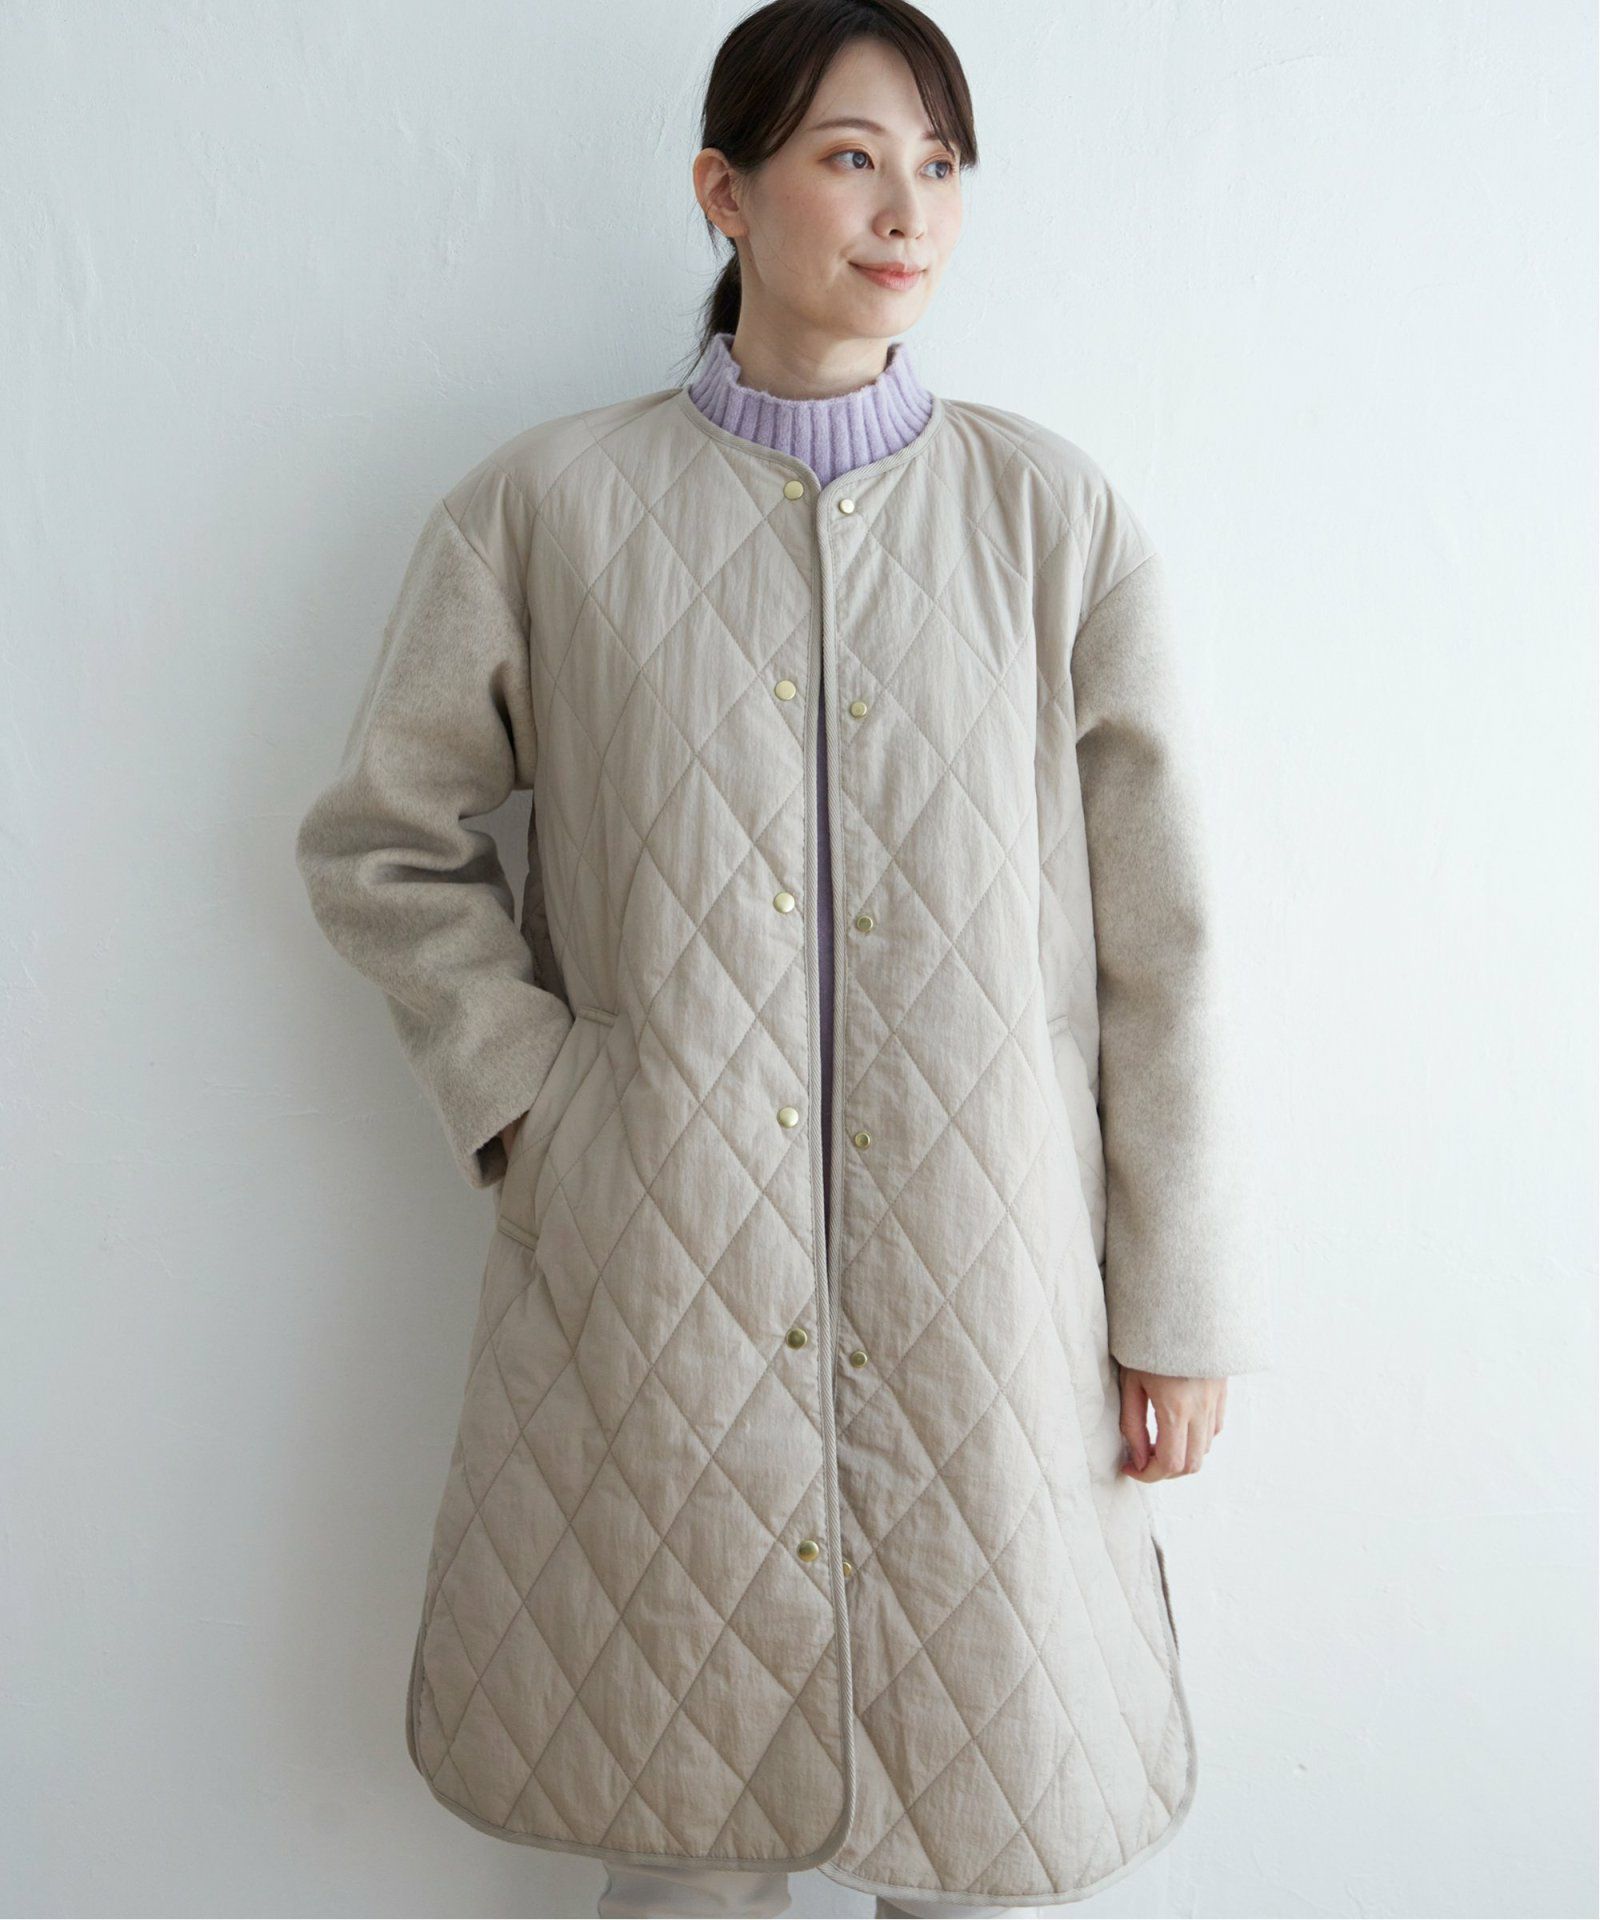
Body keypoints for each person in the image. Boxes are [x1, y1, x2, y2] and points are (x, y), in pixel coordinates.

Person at [294, 3, 1272, 1916]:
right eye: (850, 157)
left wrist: (1177, 1299)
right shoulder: (547, 509)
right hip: (662, 1282)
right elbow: (381, 843)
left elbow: (1165, 947)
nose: (908, 208)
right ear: (724, 193)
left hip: (995, 1293)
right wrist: (539, 1110)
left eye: (940, 164)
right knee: (682, 1837)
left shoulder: (1051, 520)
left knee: (988, 1831)